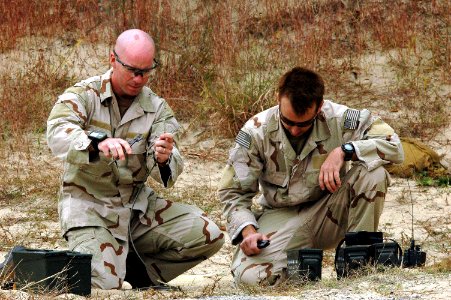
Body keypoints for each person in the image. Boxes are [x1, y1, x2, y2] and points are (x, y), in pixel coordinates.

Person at [47, 29, 224, 290]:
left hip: (135, 208)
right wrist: (97, 144)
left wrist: (164, 158)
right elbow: (57, 132)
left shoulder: (157, 107)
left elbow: (170, 161)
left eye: (146, 71)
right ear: (112, 59)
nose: (139, 78)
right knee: (101, 285)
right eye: (131, 70)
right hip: (90, 207)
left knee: (208, 235)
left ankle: (138, 274)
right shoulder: (84, 94)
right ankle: (38, 268)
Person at [218, 67, 404, 286]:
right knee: (250, 280)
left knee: (373, 172)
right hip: (281, 216)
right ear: (278, 99)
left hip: (331, 210)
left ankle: (358, 264)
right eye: (288, 122)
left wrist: (344, 151)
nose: (295, 130)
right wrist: (248, 232)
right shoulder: (255, 132)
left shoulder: (340, 118)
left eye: (304, 123)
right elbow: (233, 192)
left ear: (320, 106)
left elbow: (394, 146)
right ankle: (302, 271)